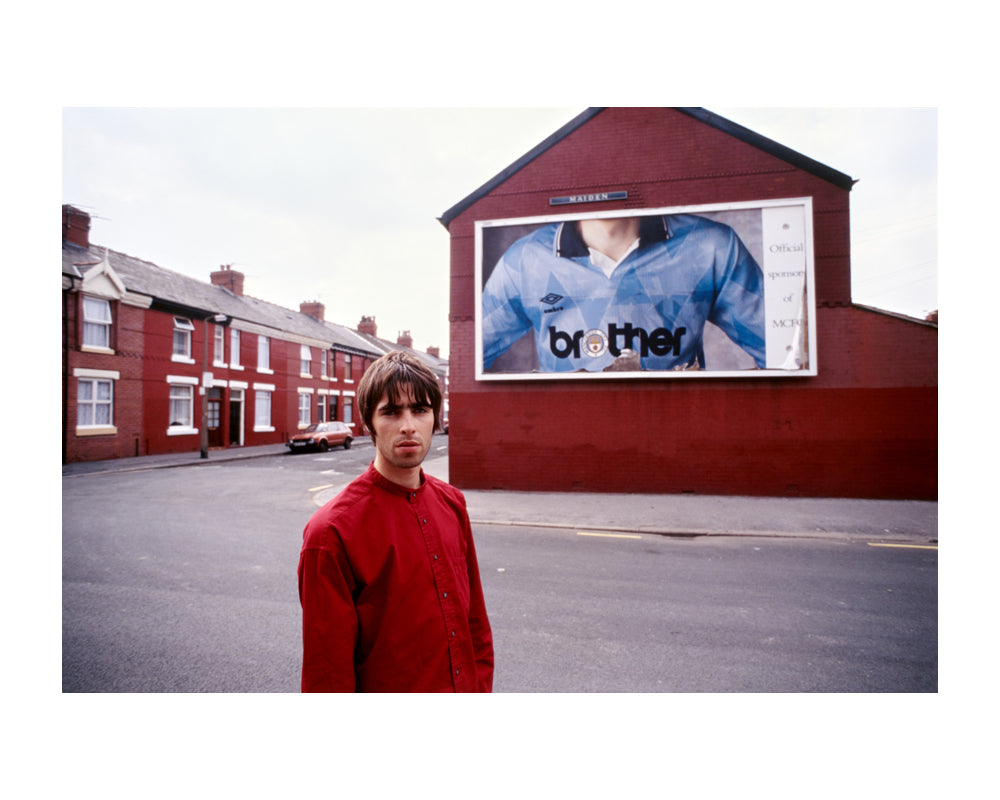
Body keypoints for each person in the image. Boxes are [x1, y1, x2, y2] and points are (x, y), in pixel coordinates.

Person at [297, 350, 494, 692]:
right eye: (391, 411)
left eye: (420, 410)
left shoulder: (452, 503)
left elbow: (474, 619)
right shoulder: (330, 533)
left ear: (435, 417)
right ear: (368, 423)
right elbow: (327, 674)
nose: (408, 425)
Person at [481, 213, 766, 373]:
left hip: (680, 447)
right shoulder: (524, 258)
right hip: (567, 445)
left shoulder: (711, 245)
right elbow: (470, 361)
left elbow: (783, 354)